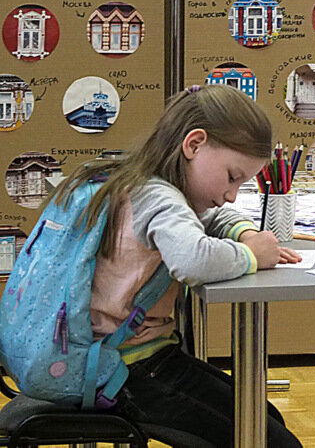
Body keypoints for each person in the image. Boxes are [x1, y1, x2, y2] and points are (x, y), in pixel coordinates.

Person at [46, 84, 302, 447]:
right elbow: (192, 260)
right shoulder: (160, 198)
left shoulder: (138, 180)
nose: (231, 193)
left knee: (261, 418)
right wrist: (252, 256)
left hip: (115, 359)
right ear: (194, 144)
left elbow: (205, 217)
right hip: (125, 371)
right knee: (267, 438)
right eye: (233, 176)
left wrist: (243, 231)